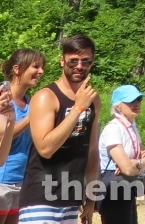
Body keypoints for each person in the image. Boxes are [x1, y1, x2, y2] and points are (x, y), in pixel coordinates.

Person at [18, 34, 100, 224]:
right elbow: (45, 149)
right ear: (62, 60)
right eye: (73, 61)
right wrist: (78, 108)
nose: (79, 66)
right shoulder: (46, 97)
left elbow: (92, 151)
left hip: (71, 199)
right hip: (41, 199)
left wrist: (92, 197)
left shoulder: (93, 99)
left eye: (85, 61)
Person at [0, 49, 45, 224]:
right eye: (35, 66)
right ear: (17, 69)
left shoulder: (29, 101)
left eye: (42, 67)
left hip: (21, 180)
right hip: (2, 181)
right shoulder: (3, 98)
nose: (41, 71)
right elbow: (5, 136)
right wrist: (31, 117)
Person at [97, 85, 145, 224]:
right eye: (131, 101)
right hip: (114, 185)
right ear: (118, 106)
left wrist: (135, 164)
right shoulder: (114, 129)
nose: (137, 103)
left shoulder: (131, 126)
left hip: (126, 182)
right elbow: (128, 167)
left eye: (139, 99)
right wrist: (138, 163)